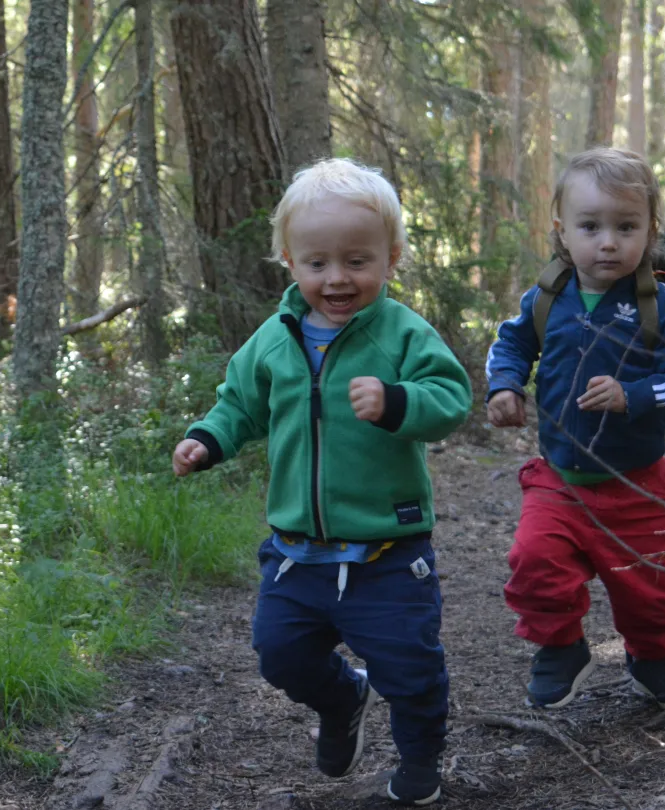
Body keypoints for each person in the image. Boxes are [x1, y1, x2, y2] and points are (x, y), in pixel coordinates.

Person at [172, 158, 471, 806]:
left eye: (357, 261)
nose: (337, 278)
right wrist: (208, 438)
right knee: (279, 653)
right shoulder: (273, 341)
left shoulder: (403, 333)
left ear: (391, 257)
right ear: (289, 259)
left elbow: (451, 397)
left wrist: (398, 402)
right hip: (296, 553)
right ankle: (343, 698)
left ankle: (421, 761)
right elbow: (239, 404)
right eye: (318, 263)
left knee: (410, 667)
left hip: (387, 553)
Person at [484, 147, 665, 710]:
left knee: (655, 590)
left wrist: (632, 396)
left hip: (638, 485)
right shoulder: (547, 296)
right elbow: (511, 341)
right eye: (591, 227)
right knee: (535, 563)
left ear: (650, 231)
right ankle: (561, 649)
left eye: (626, 227)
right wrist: (505, 385)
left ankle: (653, 657)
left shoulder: (660, 303)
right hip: (559, 479)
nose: (608, 242)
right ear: (562, 232)